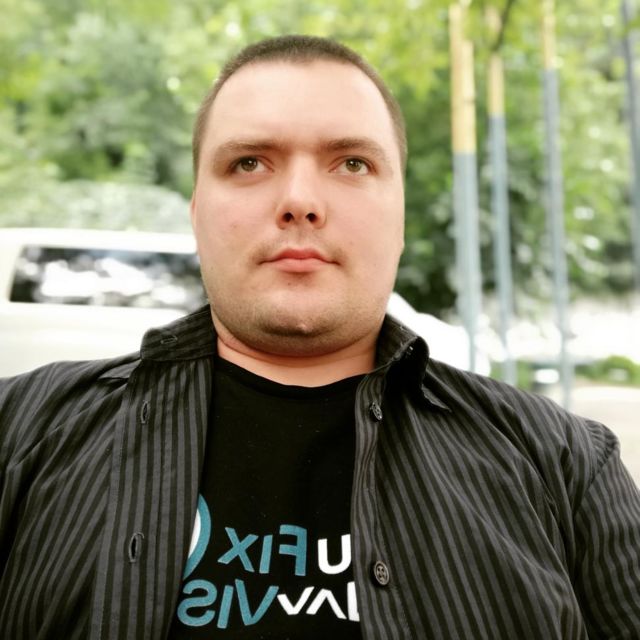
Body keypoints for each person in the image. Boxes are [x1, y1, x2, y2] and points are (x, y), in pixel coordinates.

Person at [1, 34, 639, 640]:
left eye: (352, 163)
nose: (300, 200)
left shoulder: (567, 465)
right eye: (249, 162)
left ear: (400, 218)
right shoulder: (18, 435)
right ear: (196, 213)